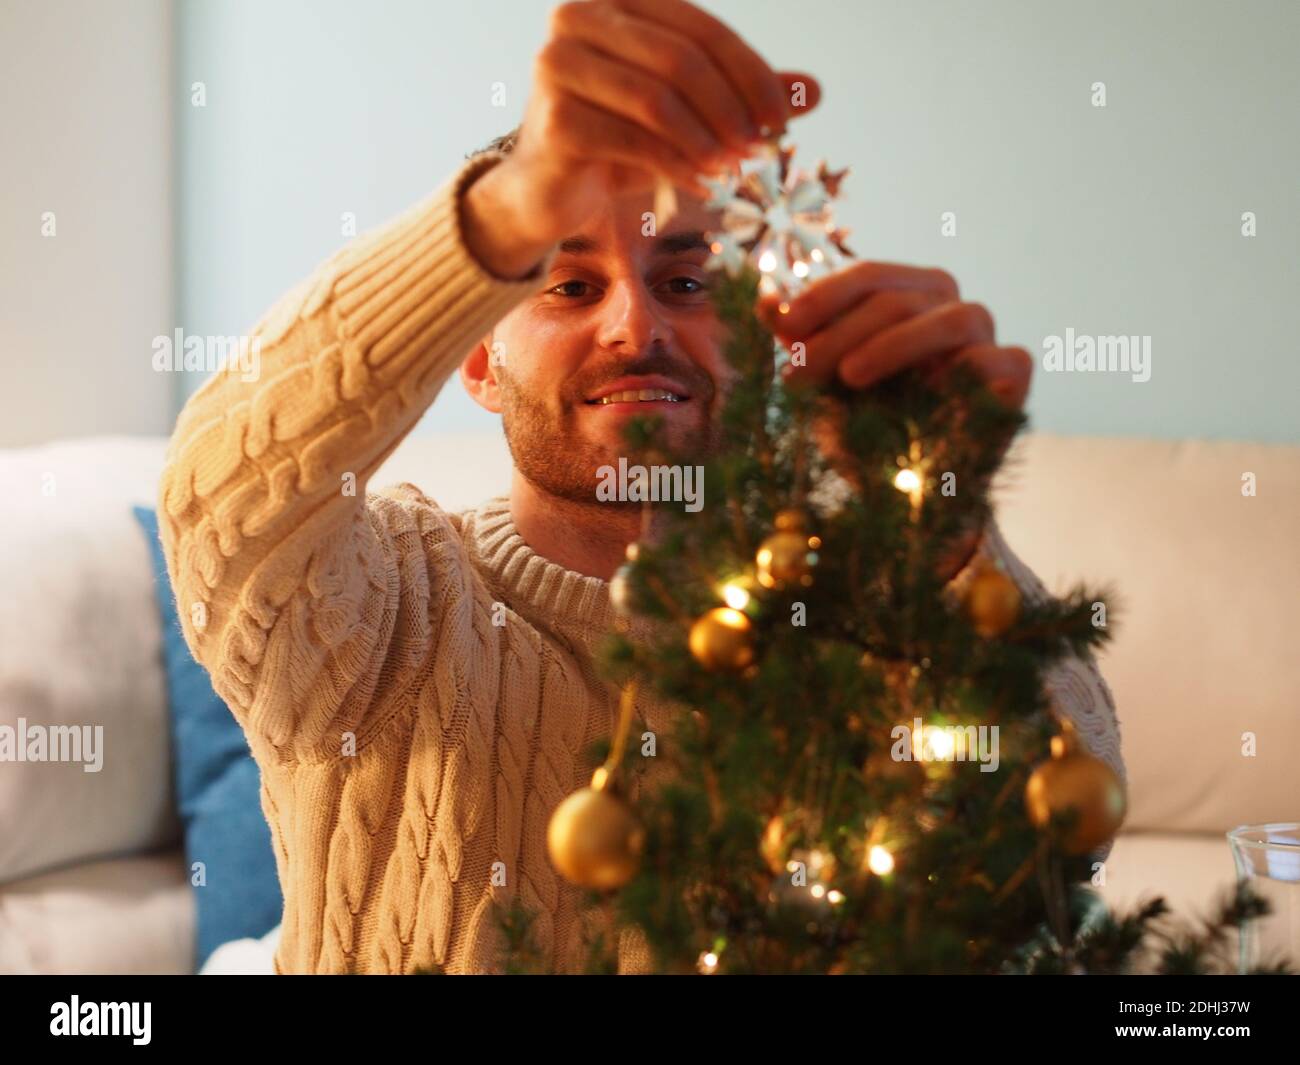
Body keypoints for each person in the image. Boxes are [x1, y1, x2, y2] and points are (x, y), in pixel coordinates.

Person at [158, 0, 1123, 975]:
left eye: (688, 285)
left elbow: (1056, 839)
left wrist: (945, 544)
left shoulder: (835, 617)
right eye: (568, 286)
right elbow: (224, 495)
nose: (635, 327)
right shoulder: (389, 601)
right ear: (479, 365)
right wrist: (501, 211)